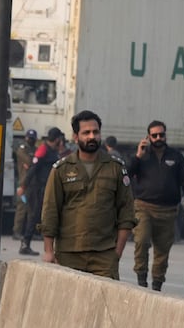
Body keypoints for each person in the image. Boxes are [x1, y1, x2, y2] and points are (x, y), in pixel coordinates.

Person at [39, 110, 136, 279]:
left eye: (96, 132)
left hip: (104, 255)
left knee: (105, 304)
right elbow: (50, 211)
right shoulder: (62, 170)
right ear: (76, 137)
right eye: (86, 133)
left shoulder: (115, 168)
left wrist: (117, 253)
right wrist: (48, 251)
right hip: (69, 253)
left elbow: (126, 211)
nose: (92, 136)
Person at [126, 120, 184, 291]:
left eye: (161, 134)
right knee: (141, 241)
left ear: (165, 135)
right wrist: (138, 156)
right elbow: (126, 174)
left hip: (168, 211)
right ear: (148, 137)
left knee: (162, 250)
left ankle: (157, 285)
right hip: (143, 207)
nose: (158, 138)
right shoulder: (142, 156)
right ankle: (141, 281)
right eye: (154, 135)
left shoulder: (176, 156)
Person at [19, 128, 65, 256]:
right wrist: (23, 186)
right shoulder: (43, 149)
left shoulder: (54, 151)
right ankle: (25, 244)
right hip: (37, 188)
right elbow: (33, 169)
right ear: (56, 139)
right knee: (34, 215)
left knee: (45, 216)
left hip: (47, 188)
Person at [11, 129, 37, 239]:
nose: (30, 140)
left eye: (32, 138)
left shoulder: (35, 149)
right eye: (29, 138)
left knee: (33, 210)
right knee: (21, 208)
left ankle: (30, 233)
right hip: (23, 184)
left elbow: (36, 162)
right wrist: (32, 162)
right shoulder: (22, 149)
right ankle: (16, 232)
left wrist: (33, 163)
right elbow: (30, 161)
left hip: (33, 183)